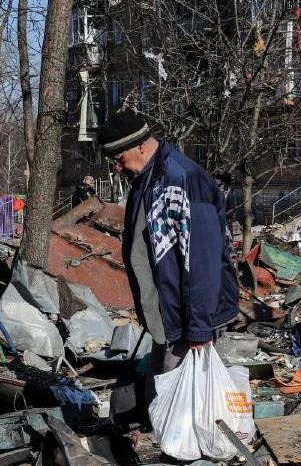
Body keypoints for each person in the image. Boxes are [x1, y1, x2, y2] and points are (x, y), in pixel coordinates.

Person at [98, 110, 239, 404]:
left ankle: (192, 450)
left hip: (190, 319)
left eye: (119, 160)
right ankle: (174, 447)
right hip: (171, 317)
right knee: (162, 399)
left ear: (139, 145)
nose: (118, 169)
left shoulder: (182, 180)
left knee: (181, 407)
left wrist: (200, 326)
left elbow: (202, 258)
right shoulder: (149, 180)